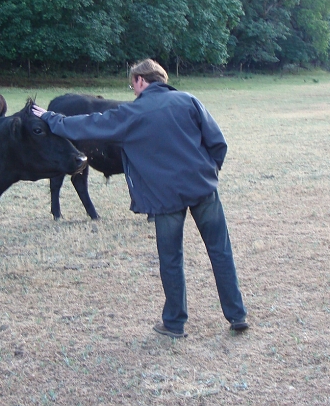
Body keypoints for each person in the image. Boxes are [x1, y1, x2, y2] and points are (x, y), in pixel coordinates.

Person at [31, 59, 248, 338]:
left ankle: (174, 323)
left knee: (171, 258)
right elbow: (218, 143)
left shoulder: (132, 113)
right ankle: (237, 314)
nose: (132, 90)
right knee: (220, 251)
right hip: (203, 189)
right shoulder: (189, 101)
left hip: (165, 197)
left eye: (132, 84)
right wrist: (208, 173)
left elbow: (88, 125)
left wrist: (50, 118)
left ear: (142, 81)